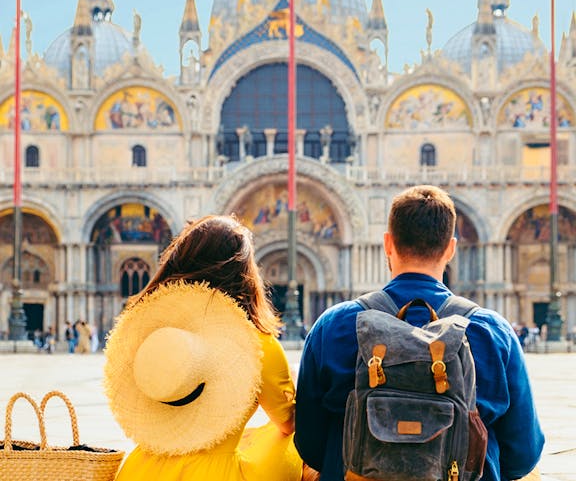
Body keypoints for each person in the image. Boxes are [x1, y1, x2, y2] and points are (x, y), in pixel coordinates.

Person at [295, 185, 544, 481]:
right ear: (451, 248)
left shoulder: (334, 325)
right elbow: (523, 455)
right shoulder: (492, 331)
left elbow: (309, 444)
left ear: (388, 244)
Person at [104, 215, 302, 481]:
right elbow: (289, 422)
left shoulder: (158, 336)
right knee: (293, 439)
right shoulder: (257, 346)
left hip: (139, 470)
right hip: (215, 474)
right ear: (245, 272)